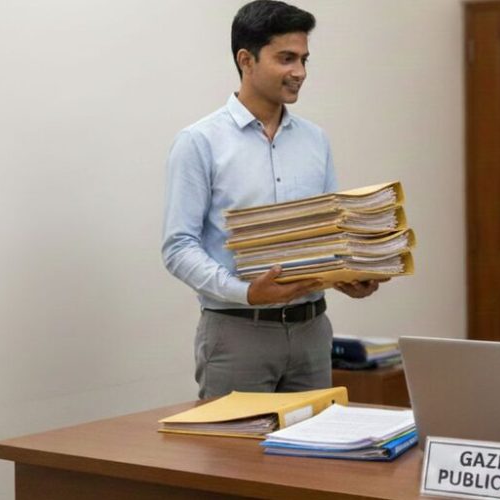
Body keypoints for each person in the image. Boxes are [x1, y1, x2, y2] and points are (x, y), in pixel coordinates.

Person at [162, 0, 383, 400]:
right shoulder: (199, 142)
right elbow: (178, 247)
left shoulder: (315, 140)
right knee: (230, 462)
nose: (299, 72)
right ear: (246, 60)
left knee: (310, 461)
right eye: (286, 58)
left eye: (304, 59)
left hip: (312, 333)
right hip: (237, 333)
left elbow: (329, 231)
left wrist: (349, 274)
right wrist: (245, 292)